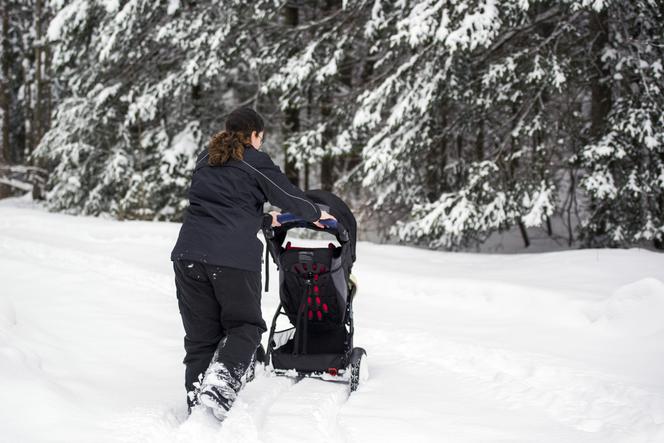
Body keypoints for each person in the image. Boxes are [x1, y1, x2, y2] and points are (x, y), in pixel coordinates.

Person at [170, 107, 336, 418]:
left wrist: (261, 218)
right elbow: (288, 195)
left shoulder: (207, 159)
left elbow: (220, 204)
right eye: (261, 137)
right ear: (255, 135)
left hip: (188, 257)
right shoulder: (254, 159)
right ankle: (219, 387)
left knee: (200, 337)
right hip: (232, 260)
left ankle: (198, 401)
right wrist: (317, 214)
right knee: (245, 326)